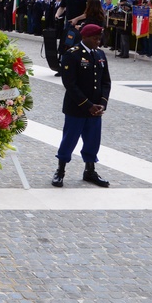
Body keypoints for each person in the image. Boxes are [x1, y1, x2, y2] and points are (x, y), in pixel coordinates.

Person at [52, 24, 112, 188]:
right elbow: (70, 84)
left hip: (95, 109)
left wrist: (102, 103)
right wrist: (88, 105)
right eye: (95, 38)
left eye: (99, 38)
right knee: (69, 140)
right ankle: (60, 170)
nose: (98, 41)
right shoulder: (72, 54)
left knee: (93, 141)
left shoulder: (100, 54)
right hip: (77, 107)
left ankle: (90, 170)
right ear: (85, 37)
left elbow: (105, 81)